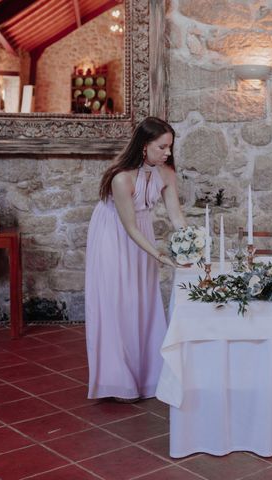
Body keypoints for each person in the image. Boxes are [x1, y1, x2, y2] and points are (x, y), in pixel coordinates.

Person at [85, 116, 186, 402]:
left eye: (169, 147)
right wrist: (160, 256)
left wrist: (192, 243)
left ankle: (149, 376)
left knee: (143, 299)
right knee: (119, 301)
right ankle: (118, 380)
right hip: (113, 235)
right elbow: (128, 227)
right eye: (162, 147)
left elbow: (176, 216)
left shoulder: (166, 173)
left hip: (142, 232)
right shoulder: (121, 178)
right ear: (144, 146)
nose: (167, 153)